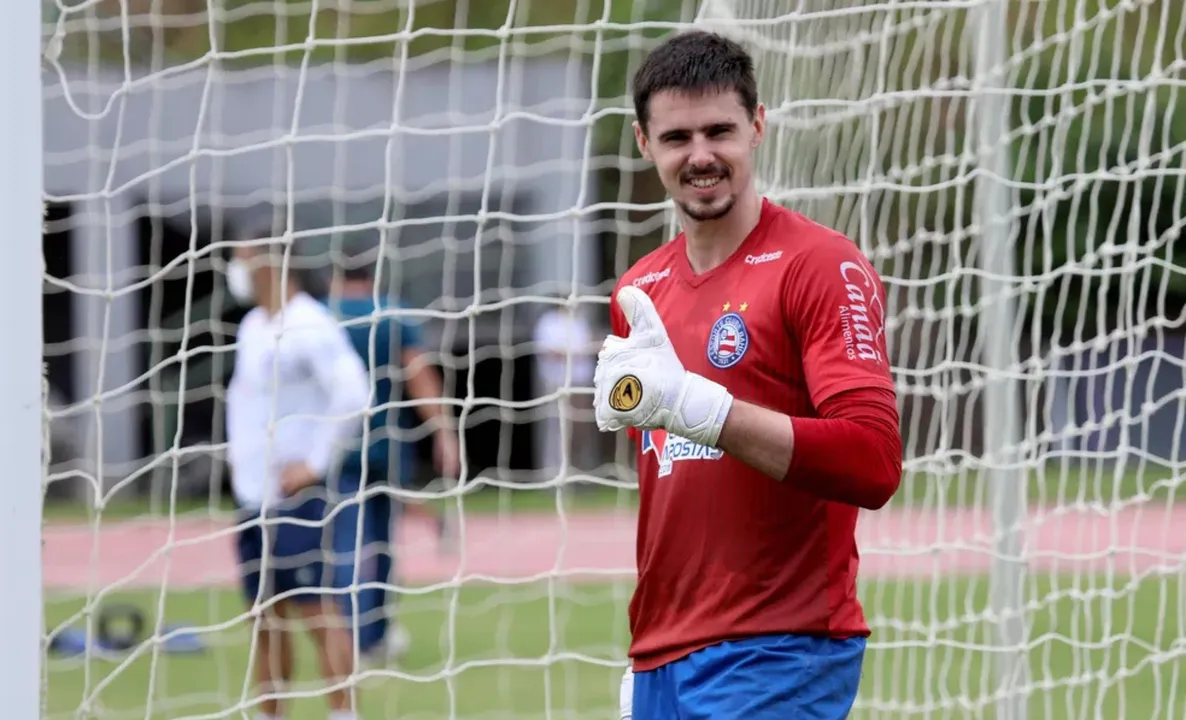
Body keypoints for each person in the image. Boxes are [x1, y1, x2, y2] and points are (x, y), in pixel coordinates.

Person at [592, 31, 904, 720]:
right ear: (645, 143)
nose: (700, 156)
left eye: (719, 131)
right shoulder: (641, 291)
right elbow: (679, 485)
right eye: (677, 137)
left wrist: (706, 409)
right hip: (663, 658)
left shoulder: (820, 265)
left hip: (781, 650)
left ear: (757, 127)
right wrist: (648, 659)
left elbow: (875, 462)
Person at [224, 239, 371, 720]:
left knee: (314, 609)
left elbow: (354, 394)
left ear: (269, 260)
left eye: (243, 257)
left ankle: (343, 713)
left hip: (296, 496)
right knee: (264, 617)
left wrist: (315, 462)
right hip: (252, 496)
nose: (237, 268)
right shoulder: (252, 326)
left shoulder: (310, 325)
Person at [325, 240, 463, 667]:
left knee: (344, 543)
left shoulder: (322, 316)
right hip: (386, 443)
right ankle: (374, 636)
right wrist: (444, 432)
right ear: (373, 275)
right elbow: (418, 375)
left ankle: (351, 638)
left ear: (337, 275)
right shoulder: (392, 313)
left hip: (332, 445)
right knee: (381, 543)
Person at [532, 296, 597, 480]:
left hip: (580, 384)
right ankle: (552, 474)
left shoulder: (579, 322)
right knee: (556, 430)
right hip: (557, 384)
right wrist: (575, 353)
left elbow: (589, 347)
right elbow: (550, 352)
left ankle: (578, 474)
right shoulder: (548, 323)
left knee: (581, 430)